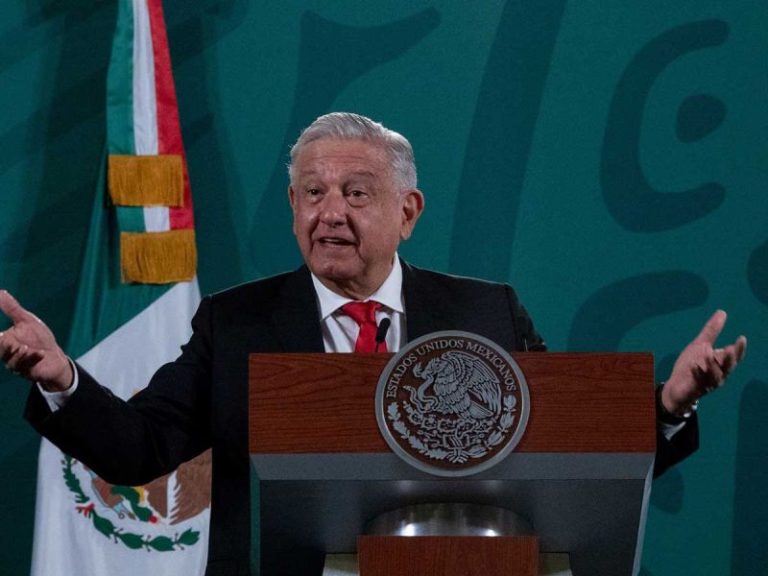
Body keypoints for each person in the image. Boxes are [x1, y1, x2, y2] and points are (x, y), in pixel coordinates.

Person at [0, 112, 748, 576]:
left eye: (356, 193)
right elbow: (139, 449)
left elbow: (570, 445)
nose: (330, 212)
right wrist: (63, 377)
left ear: (408, 211)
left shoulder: (484, 313)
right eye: (312, 193)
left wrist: (670, 405)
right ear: (293, 206)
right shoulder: (235, 324)